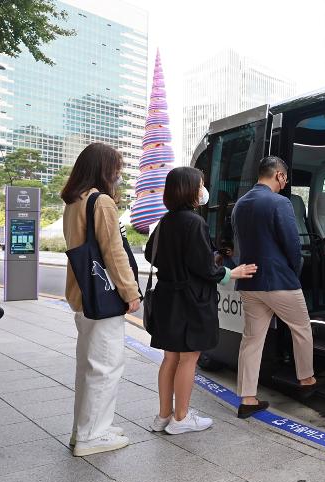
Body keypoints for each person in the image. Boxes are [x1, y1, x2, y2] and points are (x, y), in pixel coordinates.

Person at [145, 167, 256, 434]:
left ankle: (163, 416)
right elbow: (205, 269)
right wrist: (232, 271)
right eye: (200, 184)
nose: (203, 189)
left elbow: (152, 254)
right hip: (190, 301)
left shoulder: (165, 221)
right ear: (189, 189)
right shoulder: (194, 222)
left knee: (170, 357)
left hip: (167, 298)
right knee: (189, 358)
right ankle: (181, 418)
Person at [62, 143, 140, 457]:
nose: (118, 175)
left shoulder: (74, 202)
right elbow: (114, 253)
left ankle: (86, 428)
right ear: (104, 169)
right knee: (106, 366)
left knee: (88, 366)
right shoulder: (101, 201)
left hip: (82, 295)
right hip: (102, 296)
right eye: (116, 169)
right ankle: (92, 435)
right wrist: (131, 292)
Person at [232, 156, 317, 419]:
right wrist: (296, 269)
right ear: (279, 175)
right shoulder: (280, 203)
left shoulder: (240, 205)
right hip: (279, 281)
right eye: (285, 178)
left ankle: (247, 398)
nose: (285, 183)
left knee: (252, 339)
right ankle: (306, 380)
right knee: (301, 328)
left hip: (250, 281)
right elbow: (292, 245)